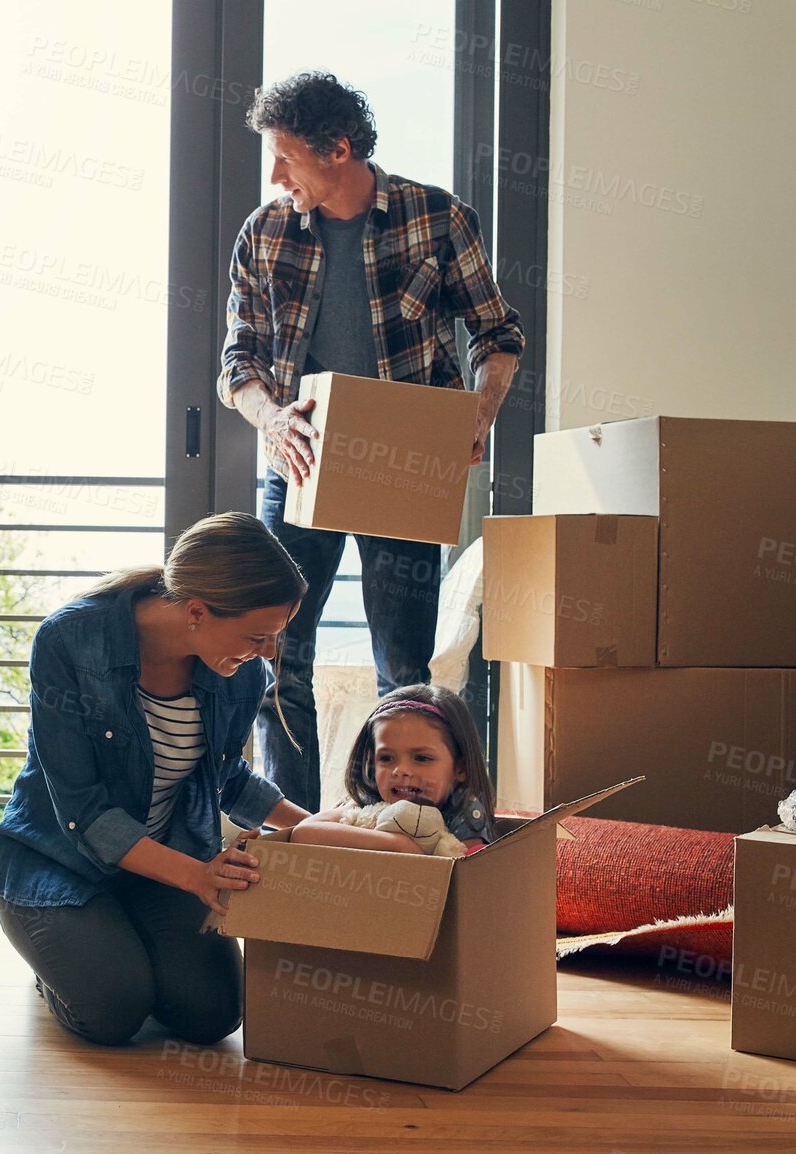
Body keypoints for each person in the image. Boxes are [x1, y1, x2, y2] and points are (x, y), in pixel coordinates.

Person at [217, 70, 525, 814]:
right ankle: (293, 830)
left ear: (338, 149)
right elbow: (237, 365)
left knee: (403, 669)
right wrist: (271, 418)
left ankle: (405, 830)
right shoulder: (263, 233)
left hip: (404, 469)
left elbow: (497, 331)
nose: (274, 175)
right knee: (278, 656)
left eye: (285, 157)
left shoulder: (435, 217)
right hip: (298, 468)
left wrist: (476, 412)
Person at [0, 512, 312, 1047]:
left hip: (162, 864)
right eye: (259, 636)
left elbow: (224, 776)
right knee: (112, 1012)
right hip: (57, 862)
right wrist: (198, 878)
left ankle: (118, 941)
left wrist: (316, 829)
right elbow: (85, 814)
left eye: (275, 637)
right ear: (197, 611)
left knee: (212, 1015)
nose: (269, 653)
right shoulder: (68, 641)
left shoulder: (239, 669)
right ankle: (59, 964)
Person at [293, 684, 497, 853]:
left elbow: (468, 877)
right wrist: (398, 845)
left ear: (460, 769)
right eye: (387, 758)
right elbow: (303, 832)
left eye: (422, 758)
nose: (400, 770)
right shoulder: (368, 804)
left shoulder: (465, 812)